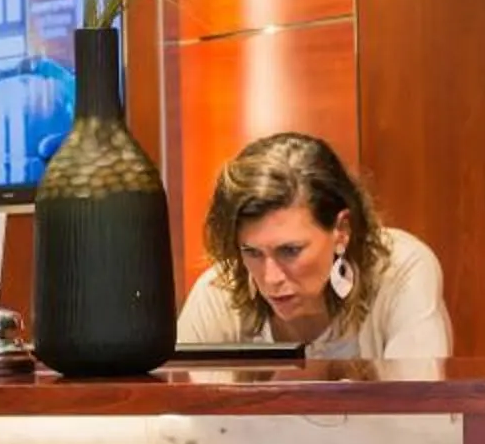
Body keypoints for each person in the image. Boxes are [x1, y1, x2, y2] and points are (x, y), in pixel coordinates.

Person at [176, 132, 453, 362]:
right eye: (253, 253)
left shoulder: (400, 270)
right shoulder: (219, 290)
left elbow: (422, 417)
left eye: (290, 251)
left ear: (341, 230)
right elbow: (168, 417)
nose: (270, 278)